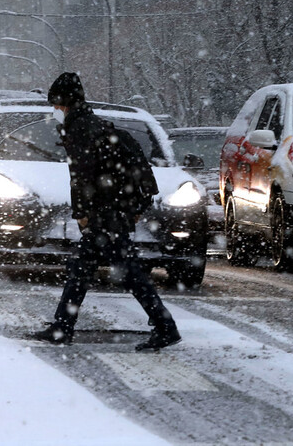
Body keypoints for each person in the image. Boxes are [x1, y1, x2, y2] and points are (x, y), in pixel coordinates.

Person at [32, 72, 181, 351]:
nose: (54, 111)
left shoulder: (81, 128)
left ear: (64, 103)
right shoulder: (90, 123)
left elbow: (83, 175)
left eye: (56, 105)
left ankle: (165, 327)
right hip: (113, 210)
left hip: (106, 213)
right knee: (85, 270)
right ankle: (63, 326)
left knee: (124, 273)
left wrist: (82, 212)